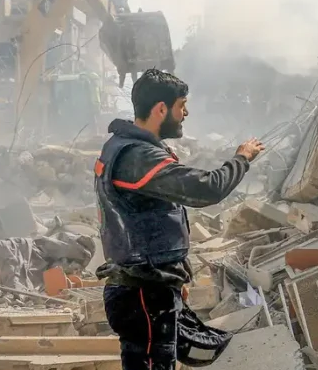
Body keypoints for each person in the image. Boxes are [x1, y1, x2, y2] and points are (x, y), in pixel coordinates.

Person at [93, 69, 264, 370]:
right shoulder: (137, 157)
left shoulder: (123, 146)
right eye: (181, 104)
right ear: (161, 108)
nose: (186, 112)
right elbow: (204, 189)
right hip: (142, 295)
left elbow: (151, 219)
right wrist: (242, 159)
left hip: (147, 287)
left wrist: (175, 274)